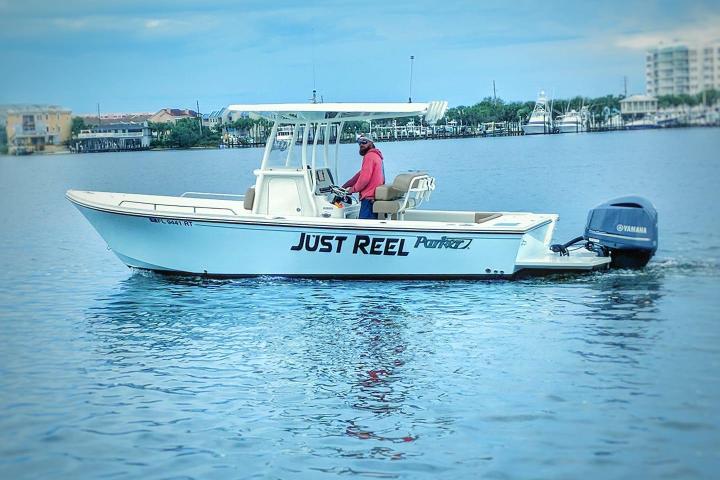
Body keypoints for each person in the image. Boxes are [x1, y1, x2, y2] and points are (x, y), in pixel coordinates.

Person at [342, 134, 385, 219]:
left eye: (364, 142)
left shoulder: (369, 156)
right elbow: (359, 175)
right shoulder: (376, 156)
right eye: (359, 143)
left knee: (363, 231)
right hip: (373, 198)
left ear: (371, 143)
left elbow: (364, 180)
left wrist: (352, 189)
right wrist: (344, 186)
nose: (361, 144)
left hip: (369, 199)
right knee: (369, 229)